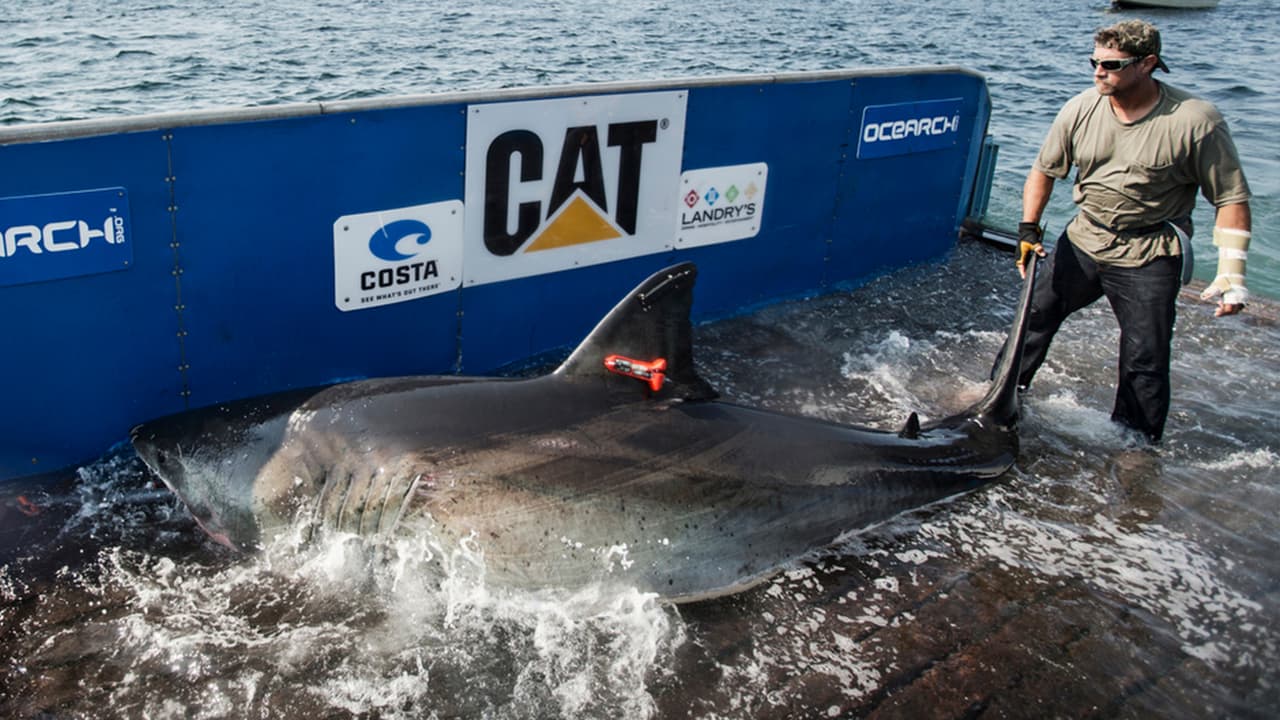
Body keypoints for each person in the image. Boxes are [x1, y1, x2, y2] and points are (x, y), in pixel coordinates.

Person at [1011, 18, 1252, 443]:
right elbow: (1044, 171)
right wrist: (1028, 229)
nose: (1098, 72)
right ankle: (1003, 398)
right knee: (1032, 319)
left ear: (1148, 64)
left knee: (1146, 357)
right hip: (1086, 238)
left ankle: (1135, 444)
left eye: (1111, 64)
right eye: (1094, 61)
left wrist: (1232, 274)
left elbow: (1230, 199)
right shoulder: (1080, 108)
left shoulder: (1196, 122)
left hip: (1150, 251)